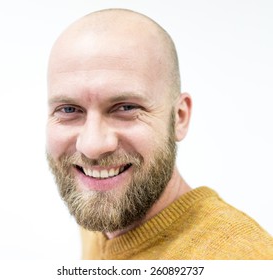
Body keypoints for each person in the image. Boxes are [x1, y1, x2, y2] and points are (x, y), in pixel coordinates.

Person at [46, 8, 273, 260]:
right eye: (68, 109)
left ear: (179, 117)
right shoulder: (103, 209)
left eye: (126, 108)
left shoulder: (240, 259)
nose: (92, 145)